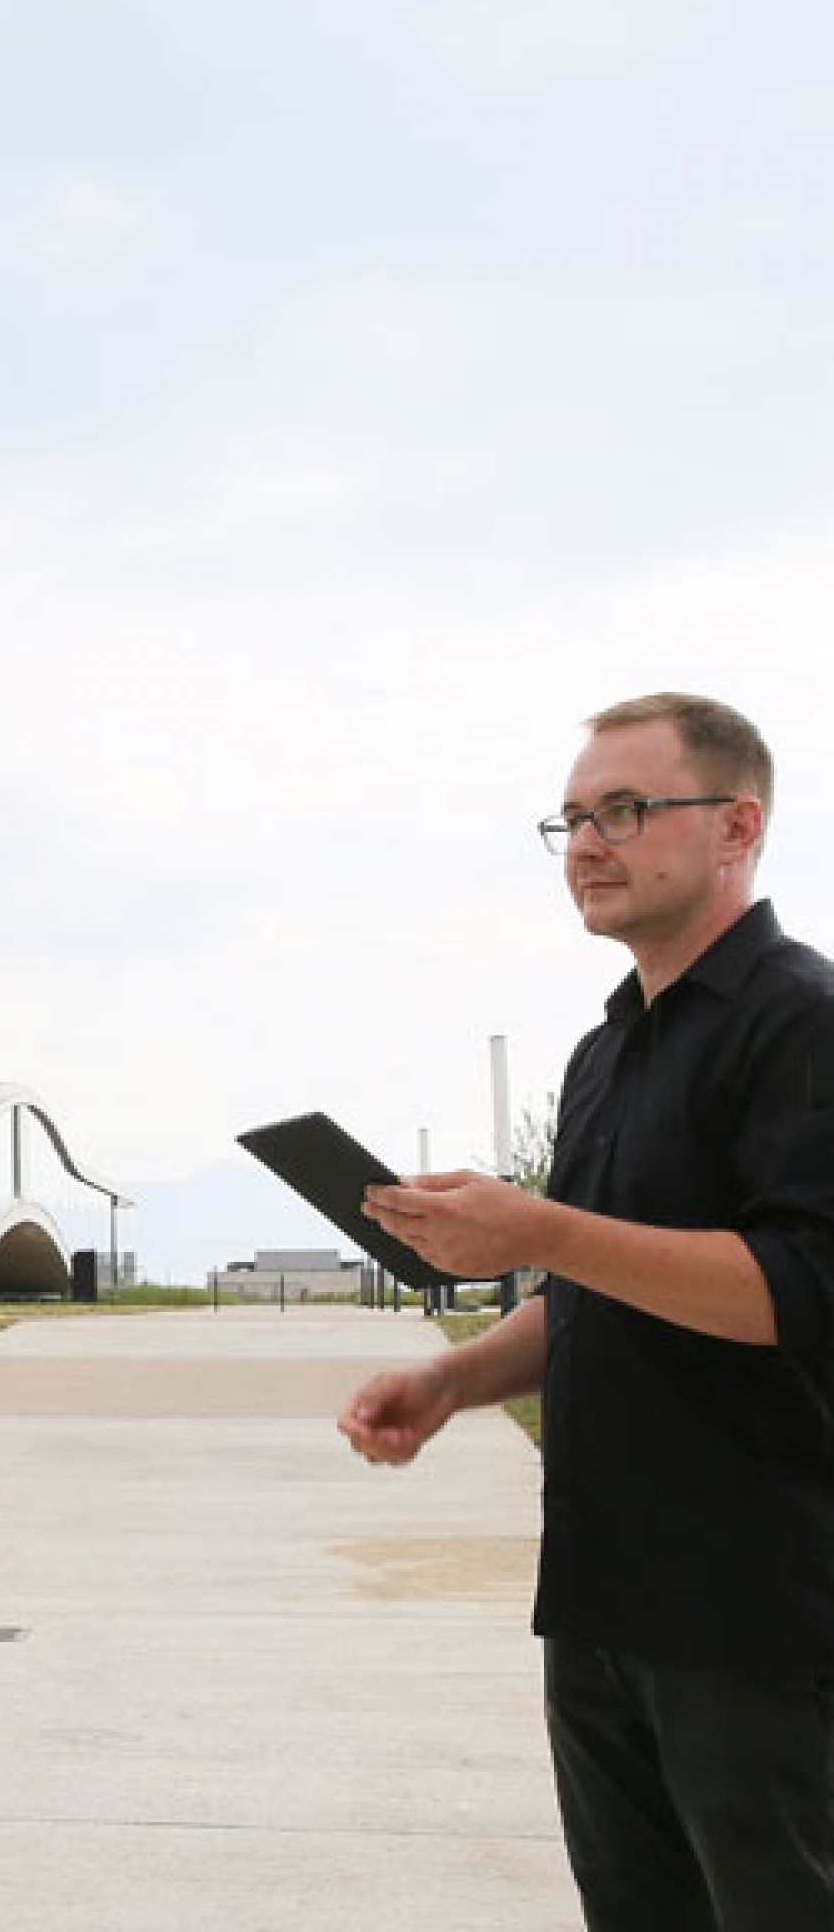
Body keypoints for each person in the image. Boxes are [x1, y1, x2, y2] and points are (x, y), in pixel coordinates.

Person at [338, 691, 834, 1930]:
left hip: (760, 1618)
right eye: (567, 818)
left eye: (623, 808)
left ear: (737, 826)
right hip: (602, 1598)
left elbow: (798, 1290)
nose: (584, 843)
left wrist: (536, 1227)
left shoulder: (802, 1022)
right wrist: (452, 1380)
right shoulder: (603, 1051)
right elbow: (595, 1292)